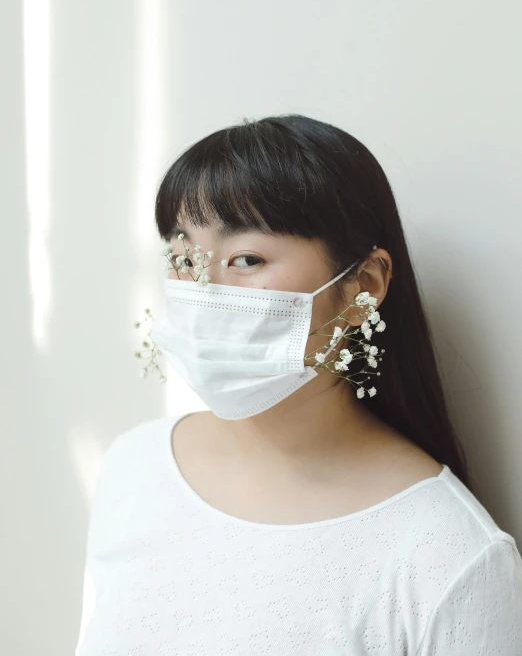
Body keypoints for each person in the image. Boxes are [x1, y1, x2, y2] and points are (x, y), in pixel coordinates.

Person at [75, 114, 522, 655]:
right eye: (183, 256)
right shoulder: (134, 467)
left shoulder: (447, 553)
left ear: (365, 284)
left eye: (247, 258)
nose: (202, 290)